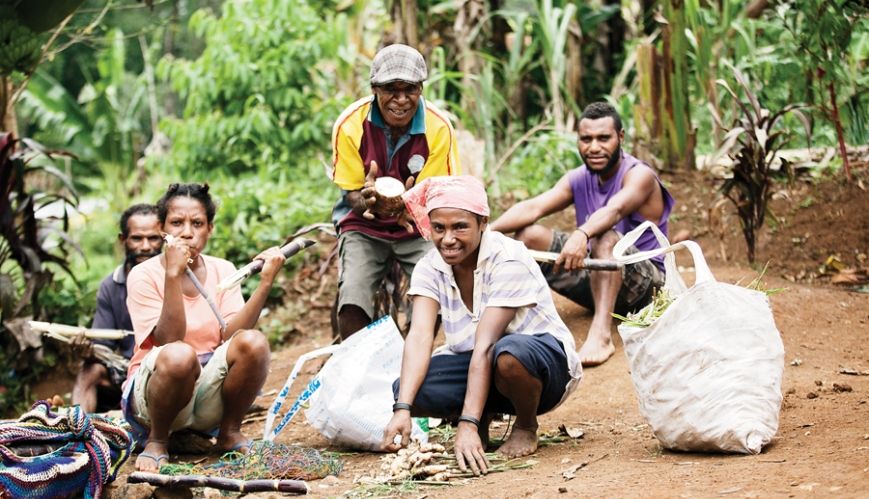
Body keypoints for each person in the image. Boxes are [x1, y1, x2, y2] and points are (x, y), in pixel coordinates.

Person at [381, 176, 581, 474]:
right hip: (482, 363)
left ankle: (526, 424)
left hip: (541, 366)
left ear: (483, 223)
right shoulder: (429, 267)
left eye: (459, 227)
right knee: (408, 389)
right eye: (439, 228)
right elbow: (420, 336)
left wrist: (466, 423)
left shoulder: (508, 258)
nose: (448, 239)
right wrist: (403, 409)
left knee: (509, 354)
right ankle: (484, 415)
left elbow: (487, 343)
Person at [490, 102, 675, 367]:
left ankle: (601, 334)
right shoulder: (579, 177)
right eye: (586, 139)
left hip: (647, 290)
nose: (594, 147)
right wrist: (486, 233)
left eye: (604, 138)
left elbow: (616, 209)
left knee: (605, 237)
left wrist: (582, 233)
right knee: (528, 236)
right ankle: (513, 320)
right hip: (599, 276)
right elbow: (534, 207)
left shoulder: (640, 175)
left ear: (620, 138)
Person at [122, 183, 287, 472]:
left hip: (206, 393)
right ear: (162, 228)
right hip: (156, 396)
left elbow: (233, 335)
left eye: (197, 223)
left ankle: (229, 432)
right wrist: (173, 274)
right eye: (177, 223)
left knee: (255, 342)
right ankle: (158, 440)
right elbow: (167, 340)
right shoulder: (143, 275)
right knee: (179, 354)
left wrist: (264, 283)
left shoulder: (222, 269)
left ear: (209, 228)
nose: (187, 232)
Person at [329, 43, 461, 339]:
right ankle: (361, 366)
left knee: (433, 293)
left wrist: (411, 206)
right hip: (363, 223)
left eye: (410, 89)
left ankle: (413, 357)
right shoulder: (351, 124)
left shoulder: (438, 128)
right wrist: (365, 201)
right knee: (352, 296)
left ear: (421, 89)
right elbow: (351, 191)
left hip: (417, 225)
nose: (401, 100)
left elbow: (440, 193)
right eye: (391, 89)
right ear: (375, 88)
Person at [72, 204, 163, 413]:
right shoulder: (111, 285)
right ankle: (76, 428)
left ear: (164, 238)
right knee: (89, 370)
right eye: (137, 238)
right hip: (125, 368)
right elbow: (101, 343)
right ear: (123, 240)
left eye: (153, 238)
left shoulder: (176, 279)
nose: (146, 246)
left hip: (166, 365)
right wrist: (87, 350)